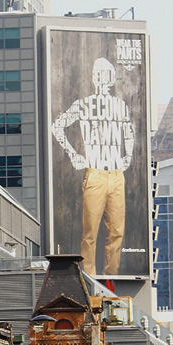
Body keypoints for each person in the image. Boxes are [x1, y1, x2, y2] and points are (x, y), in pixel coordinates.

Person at [51, 57, 135, 277]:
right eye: (99, 73)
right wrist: (73, 154)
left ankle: (111, 277)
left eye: (107, 74)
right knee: (90, 232)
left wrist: (128, 155)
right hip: (95, 172)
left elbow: (129, 132)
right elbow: (57, 126)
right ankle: (89, 277)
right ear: (93, 77)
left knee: (116, 231)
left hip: (116, 173)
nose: (103, 78)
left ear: (112, 78)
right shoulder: (83, 104)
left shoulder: (120, 105)